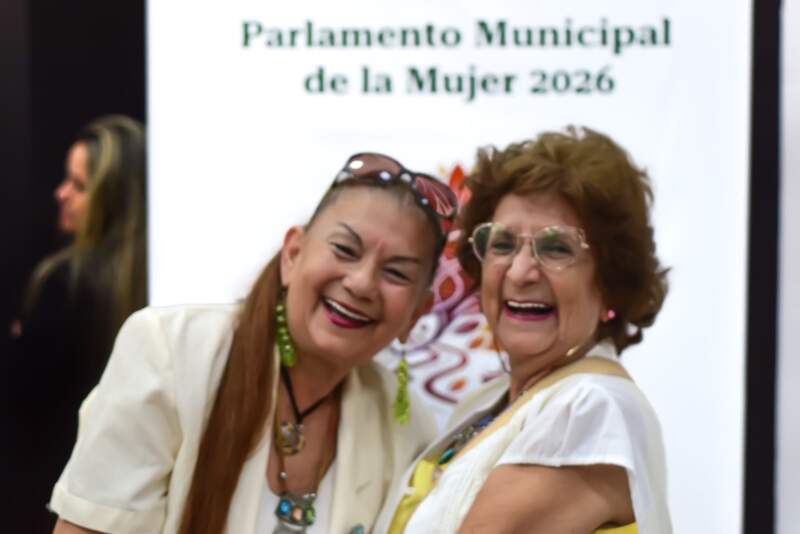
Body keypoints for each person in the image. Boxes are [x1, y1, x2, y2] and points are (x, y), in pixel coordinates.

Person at [49, 153, 458, 534]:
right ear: (293, 254)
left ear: (417, 313)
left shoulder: (406, 427)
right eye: (345, 249)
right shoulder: (170, 349)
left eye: (397, 273)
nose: (362, 283)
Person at [377, 127, 672, 533]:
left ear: (610, 281)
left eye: (557, 249)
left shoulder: (588, 409)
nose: (520, 272)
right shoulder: (488, 404)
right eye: (502, 244)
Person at [4, 115, 146, 533]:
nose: (61, 193)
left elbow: (22, 404)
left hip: (54, 494)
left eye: (79, 186)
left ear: (115, 198)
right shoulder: (162, 284)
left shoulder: (61, 282)